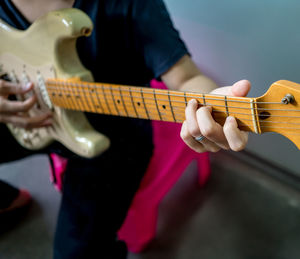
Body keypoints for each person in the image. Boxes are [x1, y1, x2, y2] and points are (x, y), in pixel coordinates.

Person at [0, 0, 250, 258]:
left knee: (78, 253)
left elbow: (185, 78)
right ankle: (6, 200)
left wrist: (214, 106)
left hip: (113, 140)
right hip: (18, 116)